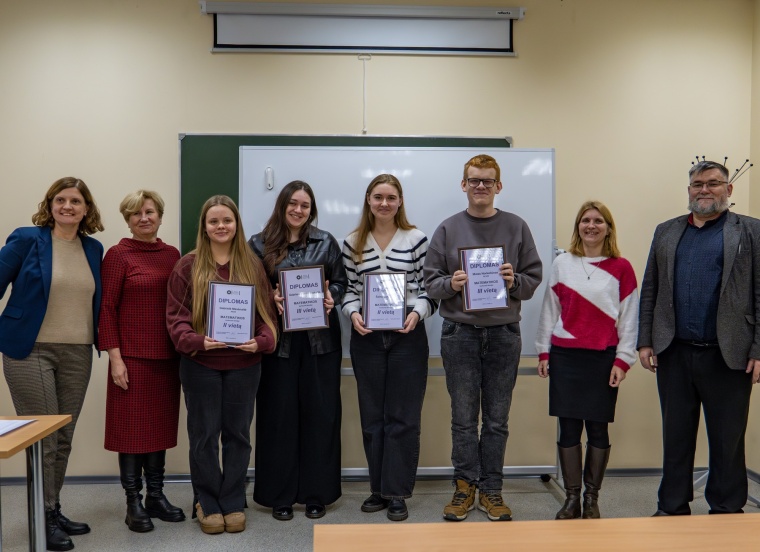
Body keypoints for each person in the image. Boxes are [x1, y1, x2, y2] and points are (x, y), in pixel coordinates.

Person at [423, 154, 542, 522]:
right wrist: (452, 283)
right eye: (474, 180)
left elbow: (532, 280)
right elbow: (430, 283)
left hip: (504, 335)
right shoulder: (447, 229)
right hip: (459, 335)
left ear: (498, 186)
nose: (480, 186)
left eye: (487, 181)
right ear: (464, 185)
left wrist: (513, 280)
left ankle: (491, 489)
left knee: (496, 420)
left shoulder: (517, 227)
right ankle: (464, 487)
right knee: (463, 418)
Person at [638, 160, 760, 516]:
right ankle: (672, 506)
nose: (704, 190)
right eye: (697, 184)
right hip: (674, 351)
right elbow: (651, 288)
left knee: (727, 439)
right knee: (675, 437)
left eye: (713, 183)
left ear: (728, 189)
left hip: (729, 353)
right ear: (688, 190)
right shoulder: (666, 231)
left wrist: (759, 348)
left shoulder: (750, 230)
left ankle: (726, 507)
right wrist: (645, 340)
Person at [0, 177, 103, 551]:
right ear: (50, 204)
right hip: (31, 350)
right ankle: (42, 518)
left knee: (63, 437)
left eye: (76, 201)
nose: (67, 206)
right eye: (61, 200)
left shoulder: (93, 248)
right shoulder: (27, 240)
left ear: (86, 209)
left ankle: (52, 509)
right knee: (44, 437)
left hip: (77, 352)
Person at [166, 195, 277, 534]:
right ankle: (207, 501)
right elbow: (176, 321)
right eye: (213, 221)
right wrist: (198, 340)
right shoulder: (187, 266)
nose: (221, 226)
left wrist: (261, 341)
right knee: (203, 435)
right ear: (204, 227)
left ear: (236, 225)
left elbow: (266, 319)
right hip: (201, 364)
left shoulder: (252, 265)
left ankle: (232, 500)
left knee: (238, 436)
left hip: (244, 364)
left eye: (227, 220)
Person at [248, 180, 347, 521]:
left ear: (311, 210)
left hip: (321, 343)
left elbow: (341, 282)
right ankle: (280, 496)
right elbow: (248, 288)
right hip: (278, 344)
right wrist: (270, 298)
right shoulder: (258, 244)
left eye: (305, 205)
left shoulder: (326, 241)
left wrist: (333, 294)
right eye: (293, 203)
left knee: (321, 416)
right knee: (279, 418)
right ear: (282, 205)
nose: (298, 210)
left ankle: (317, 494)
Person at [342, 174, 438, 522]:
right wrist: (353, 314)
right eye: (378, 197)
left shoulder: (416, 239)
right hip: (366, 337)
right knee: (373, 418)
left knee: (403, 417)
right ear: (368, 200)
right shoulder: (352, 242)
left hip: (407, 336)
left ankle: (397, 492)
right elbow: (348, 289)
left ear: (400, 202)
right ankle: (378, 489)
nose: (384, 203)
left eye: (391, 198)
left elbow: (430, 289)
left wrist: (417, 313)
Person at [535, 201, 638, 520]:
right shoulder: (562, 263)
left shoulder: (622, 267)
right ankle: (572, 498)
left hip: (602, 359)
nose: (591, 226)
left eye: (598, 221)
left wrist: (623, 360)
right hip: (565, 357)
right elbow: (550, 310)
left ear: (608, 228)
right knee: (568, 430)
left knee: (598, 430)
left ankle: (591, 498)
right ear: (578, 226)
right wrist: (543, 351)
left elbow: (629, 318)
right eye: (585, 220)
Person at [98, 190, 184, 533]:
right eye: (136, 213)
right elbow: (106, 309)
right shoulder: (118, 255)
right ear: (128, 220)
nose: (144, 218)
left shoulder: (172, 254)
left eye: (149, 212)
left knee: (158, 429)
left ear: (160, 216)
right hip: (131, 359)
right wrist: (115, 358)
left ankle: (156, 496)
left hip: (167, 357)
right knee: (132, 433)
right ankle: (133, 502)